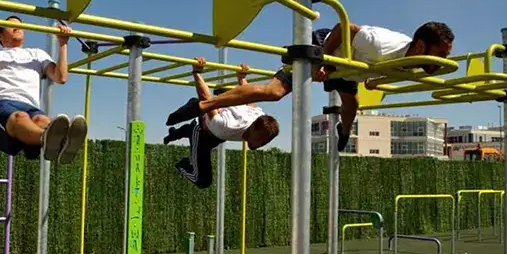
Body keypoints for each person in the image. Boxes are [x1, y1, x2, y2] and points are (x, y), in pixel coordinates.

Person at [166, 21, 454, 152]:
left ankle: (342, 133)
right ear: (419, 44)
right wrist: (320, 63)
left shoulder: (416, 61)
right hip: (328, 47)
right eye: (440, 54)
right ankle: (203, 105)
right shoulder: (380, 42)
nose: (441, 61)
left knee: (352, 106)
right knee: (274, 92)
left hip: (349, 68)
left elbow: (378, 79)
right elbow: (345, 29)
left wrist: (374, 79)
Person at [0, 12, 87, 164]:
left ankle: (61, 142)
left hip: (31, 107)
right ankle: (48, 139)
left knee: (42, 119)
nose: (17, 27)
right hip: (0, 105)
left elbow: (61, 77)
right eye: (11, 25)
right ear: (1, 36)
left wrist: (63, 43)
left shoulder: (37, 54)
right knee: (20, 117)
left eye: (20, 25)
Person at [164, 57, 279, 189]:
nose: (260, 145)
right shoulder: (226, 126)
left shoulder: (258, 116)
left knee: (184, 131)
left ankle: (173, 134)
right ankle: (183, 165)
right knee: (202, 180)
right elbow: (207, 100)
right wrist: (196, 72)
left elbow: (249, 95)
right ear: (253, 127)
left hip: (216, 136)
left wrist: (241, 78)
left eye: (264, 142)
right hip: (202, 132)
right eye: (260, 139)